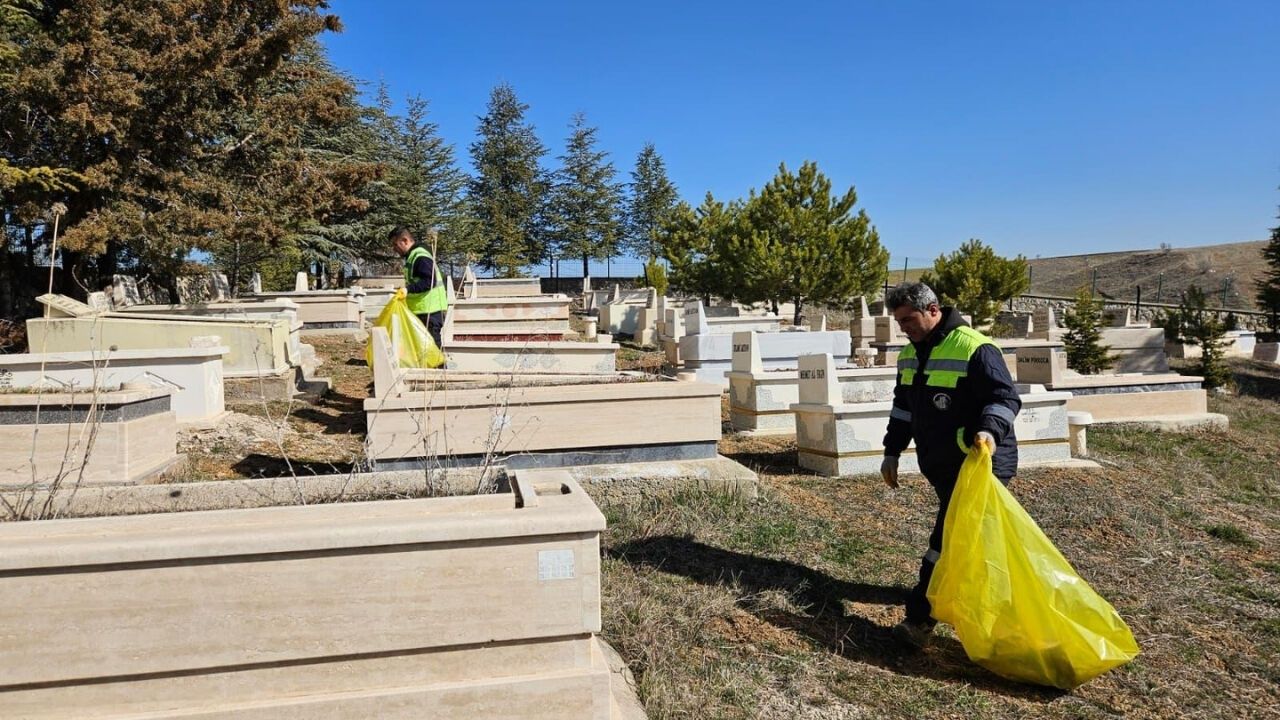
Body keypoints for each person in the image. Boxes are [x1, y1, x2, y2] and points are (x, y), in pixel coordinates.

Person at [880, 282, 1022, 649]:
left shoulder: (974, 347)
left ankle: (919, 620)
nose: (904, 328)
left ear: (933, 310)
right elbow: (903, 409)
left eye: (909, 319)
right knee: (972, 539)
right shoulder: (909, 355)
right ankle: (977, 596)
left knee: (945, 541)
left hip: (981, 463)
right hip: (943, 465)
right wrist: (892, 451)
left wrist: (989, 432)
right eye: (899, 323)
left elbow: (1005, 398)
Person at [390, 226, 449, 349]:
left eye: (395, 244)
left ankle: (437, 368)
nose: (394, 249)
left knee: (432, 349)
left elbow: (429, 281)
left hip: (430, 311)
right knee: (424, 349)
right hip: (424, 309)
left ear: (405, 240)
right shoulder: (413, 256)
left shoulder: (420, 256)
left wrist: (408, 290)